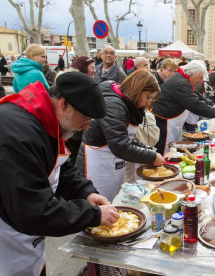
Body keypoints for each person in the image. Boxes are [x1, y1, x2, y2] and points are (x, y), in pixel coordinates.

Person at [0, 71, 119, 276]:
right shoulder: (19, 134)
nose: (86, 127)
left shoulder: (45, 119)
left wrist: (85, 192)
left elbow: (59, 166)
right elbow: (33, 210)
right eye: (85, 118)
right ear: (64, 104)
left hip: (25, 239)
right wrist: (93, 215)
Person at [75, 70, 164, 202]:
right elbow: (120, 146)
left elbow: (128, 139)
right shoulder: (113, 104)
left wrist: (150, 150)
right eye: (148, 97)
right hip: (97, 165)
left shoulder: (128, 104)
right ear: (137, 89)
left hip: (113, 166)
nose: (148, 103)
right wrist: (152, 156)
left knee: (115, 203)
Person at [152, 60, 215, 155]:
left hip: (171, 121)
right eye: (200, 78)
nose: (201, 81)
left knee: (171, 149)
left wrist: (212, 104)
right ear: (191, 74)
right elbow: (195, 104)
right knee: (165, 152)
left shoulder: (182, 79)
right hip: (165, 122)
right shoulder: (180, 83)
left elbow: (195, 95)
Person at [65, 56, 97, 165]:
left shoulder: (84, 83)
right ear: (83, 68)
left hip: (78, 129)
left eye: (95, 68)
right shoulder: (78, 86)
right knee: (74, 157)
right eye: (92, 68)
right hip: (75, 130)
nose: (94, 71)